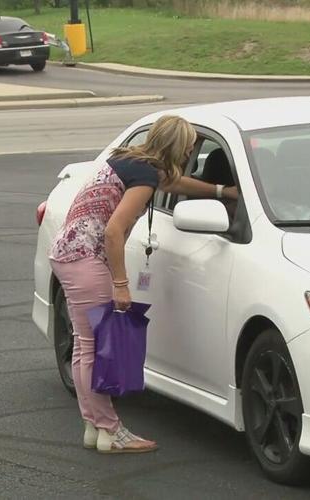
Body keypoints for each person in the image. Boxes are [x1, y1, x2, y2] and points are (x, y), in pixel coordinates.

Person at [49, 115, 238, 454]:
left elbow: (177, 183)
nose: (192, 154)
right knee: (94, 348)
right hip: (85, 258)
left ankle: (95, 428)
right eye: (190, 148)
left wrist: (221, 191)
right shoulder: (145, 175)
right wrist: (120, 284)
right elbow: (113, 231)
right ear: (179, 147)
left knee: (84, 346)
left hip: (67, 253)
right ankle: (111, 430)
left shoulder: (132, 161)